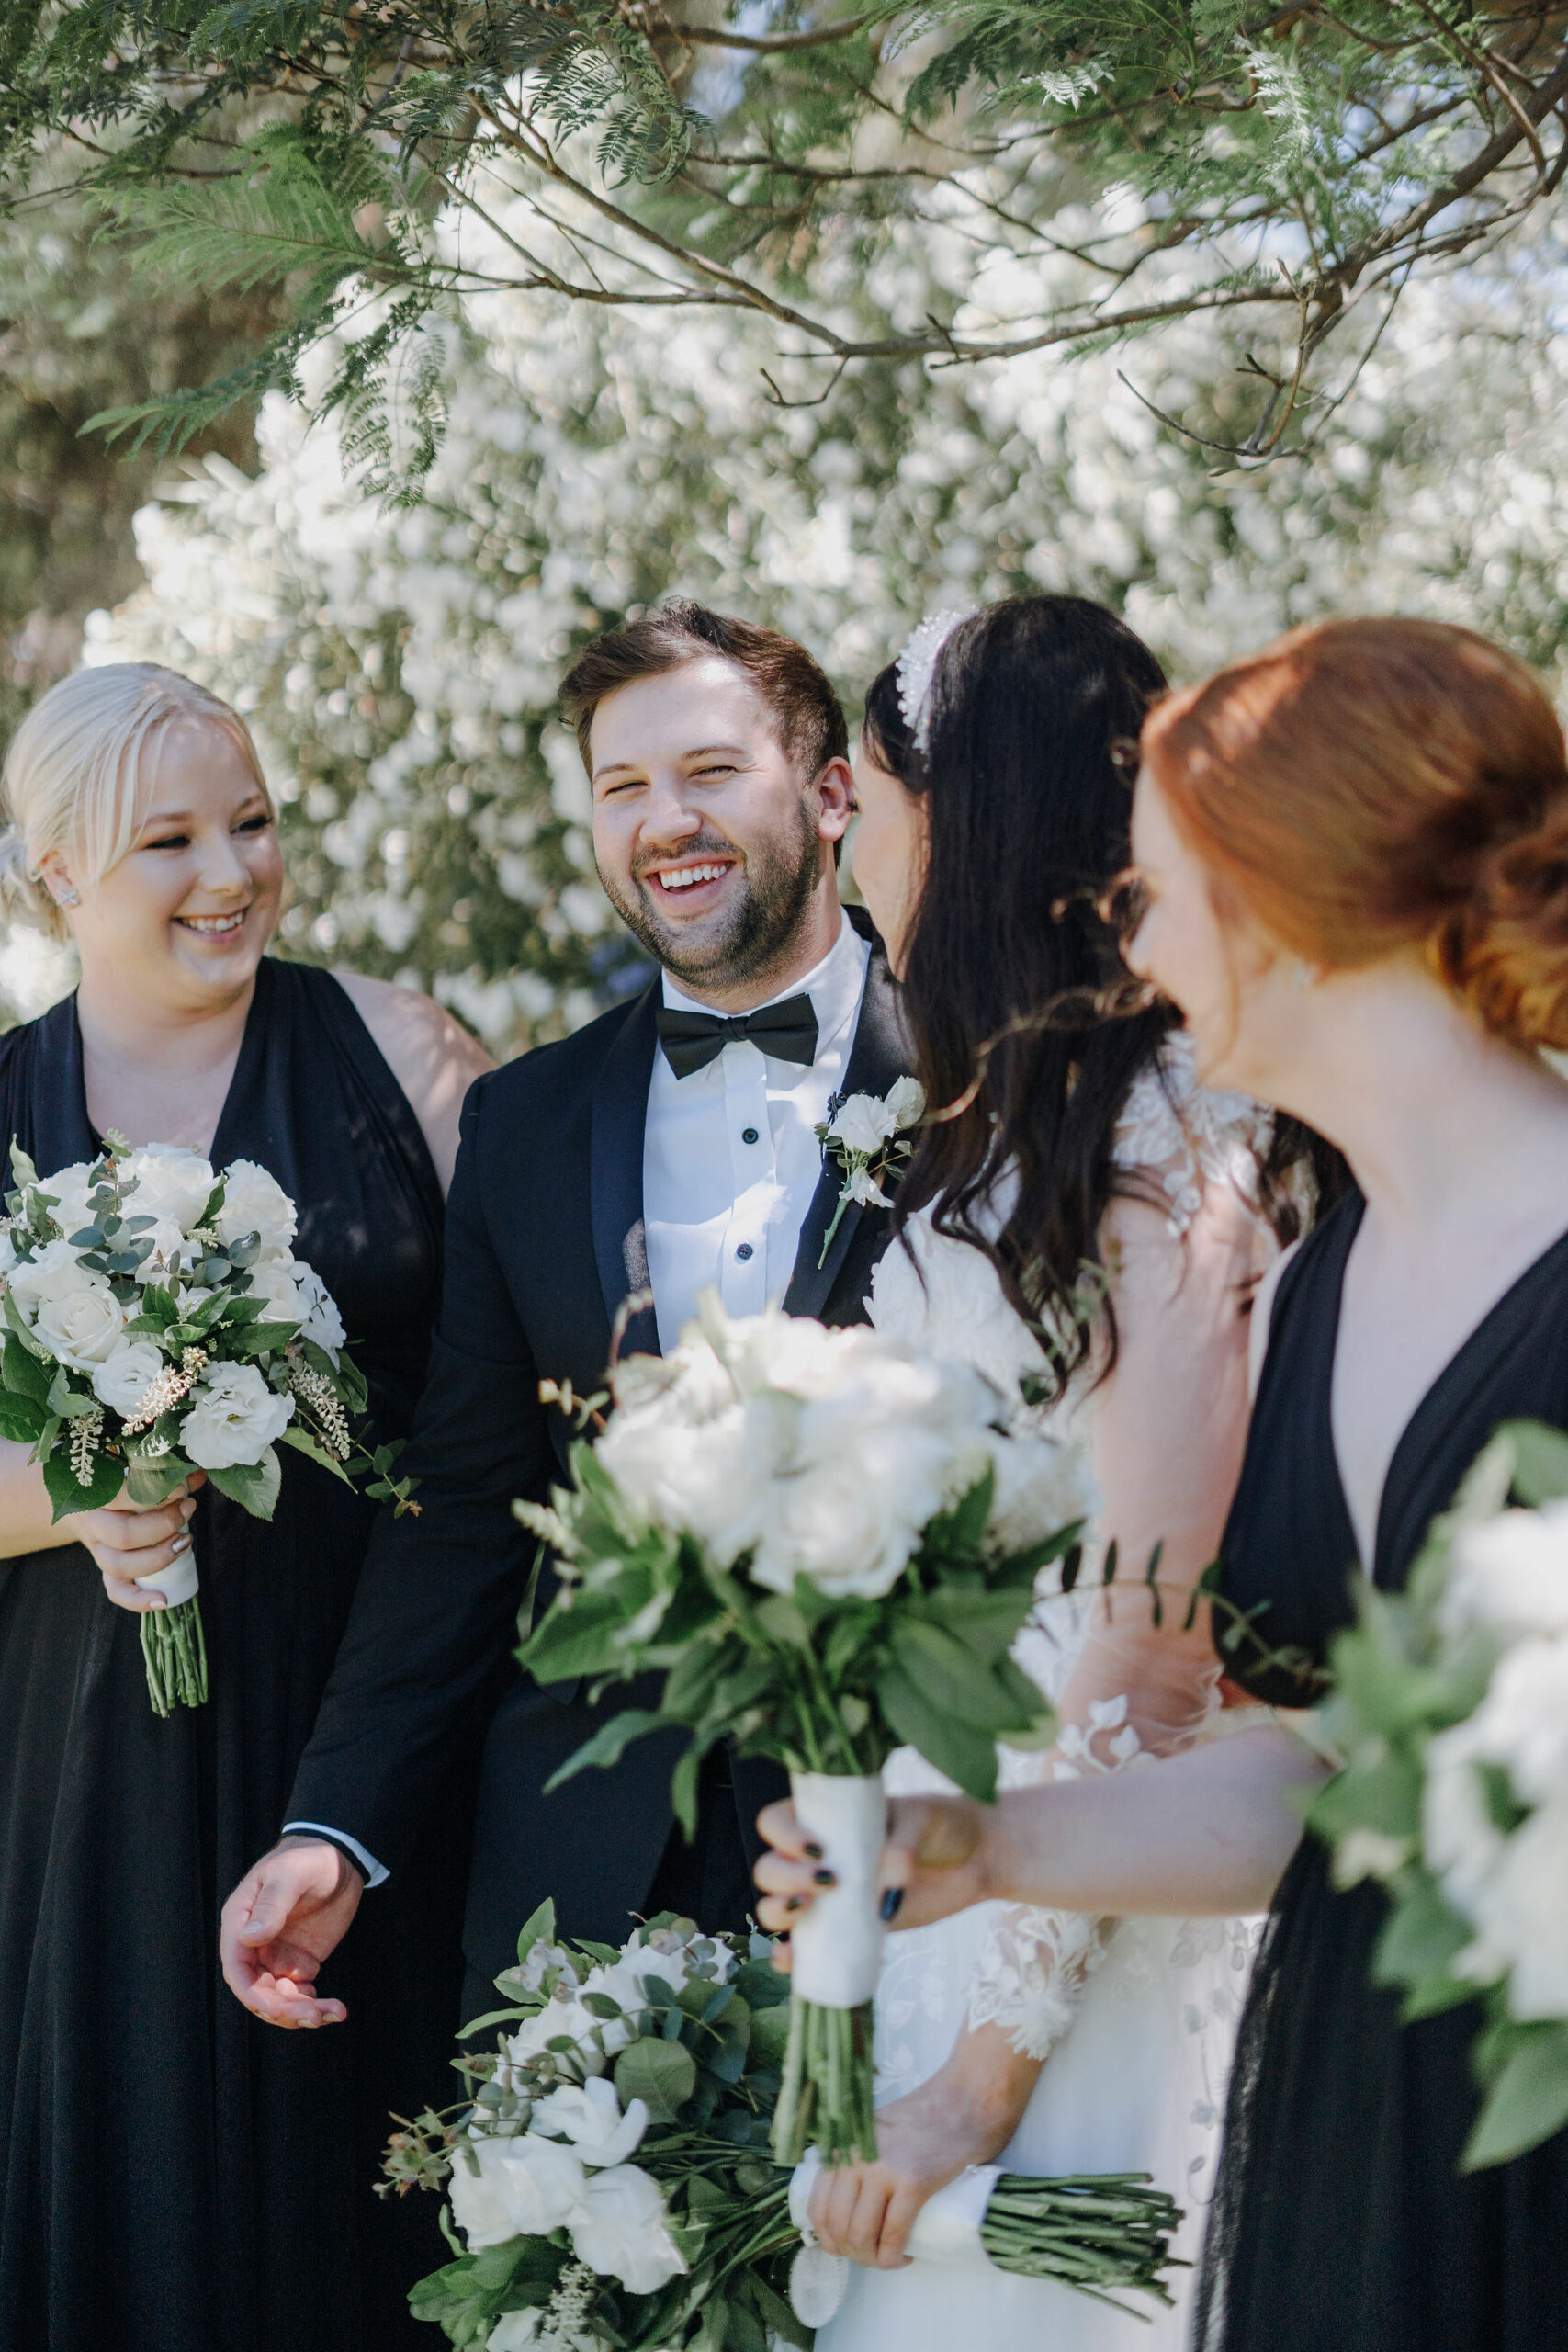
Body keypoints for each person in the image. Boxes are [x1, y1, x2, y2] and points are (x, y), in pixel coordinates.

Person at [758, 616, 1568, 2352]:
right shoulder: (1339, 1278)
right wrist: (991, 1841)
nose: (1125, 936)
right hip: (1356, 2096)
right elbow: (1326, 1775)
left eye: (1158, 888)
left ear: (1295, 901)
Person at [218, 601, 912, 2040]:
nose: (666, 822)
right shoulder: (524, 1123)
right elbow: (468, 1507)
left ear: (833, 793)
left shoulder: (986, 1074)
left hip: (911, 1846)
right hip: (584, 1889)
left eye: (711, 772)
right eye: (622, 788)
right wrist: (330, 1826)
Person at [795, 594, 1303, 2352]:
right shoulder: (1008, 1125)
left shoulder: (1173, 1142)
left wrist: (978, 2083)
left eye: (865, 795)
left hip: (1079, 1939)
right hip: (936, 1881)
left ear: (971, 818)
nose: (843, 838)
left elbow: (1151, 1660)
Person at [0, 662, 492, 2352]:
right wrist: (73, 1498)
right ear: (55, 871)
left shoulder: (408, 1061)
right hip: (77, 1795)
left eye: (255, 823)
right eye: (171, 840)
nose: (234, 874)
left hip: (364, 1758)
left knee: (356, 2215)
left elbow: (507, 1415)